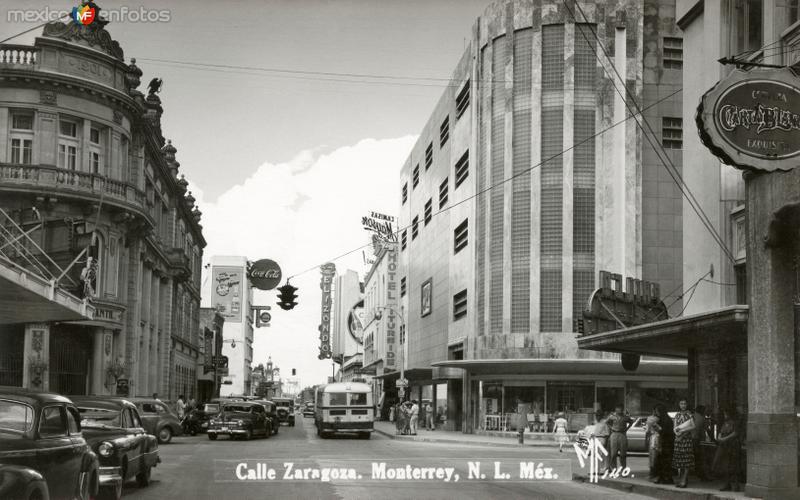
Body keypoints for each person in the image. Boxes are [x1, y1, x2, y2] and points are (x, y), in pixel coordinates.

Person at [713, 409, 741, 492]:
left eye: (726, 414)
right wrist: (719, 437)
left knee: (733, 466)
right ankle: (727, 484)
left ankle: (735, 485)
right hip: (724, 446)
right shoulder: (725, 423)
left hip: (732, 446)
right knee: (725, 465)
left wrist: (724, 439)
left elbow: (735, 433)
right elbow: (721, 431)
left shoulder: (735, 422)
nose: (725, 415)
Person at [672, 399, 695, 488]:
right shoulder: (677, 415)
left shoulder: (689, 414)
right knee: (679, 460)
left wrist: (683, 431)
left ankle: (684, 480)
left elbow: (693, 426)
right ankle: (681, 479)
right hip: (678, 439)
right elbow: (674, 427)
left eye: (685, 403)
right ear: (679, 404)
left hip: (686, 440)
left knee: (686, 461)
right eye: (681, 403)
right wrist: (677, 433)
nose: (683, 405)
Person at [654, 404, 674, 484]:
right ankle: (662, 477)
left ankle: (666, 478)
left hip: (667, 442)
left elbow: (665, 431)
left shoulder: (666, 420)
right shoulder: (663, 419)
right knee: (662, 461)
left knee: (665, 461)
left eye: (657, 411)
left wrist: (658, 428)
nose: (656, 413)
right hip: (665, 442)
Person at [692, 405, 709, 481]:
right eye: (705, 410)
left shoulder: (693, 416)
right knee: (701, 458)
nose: (707, 412)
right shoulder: (702, 418)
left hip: (691, 439)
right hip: (697, 440)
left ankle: (698, 473)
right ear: (702, 411)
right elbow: (707, 430)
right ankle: (702, 475)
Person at [645, 408, 662, 481]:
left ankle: (653, 474)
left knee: (654, 456)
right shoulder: (657, 418)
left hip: (655, 438)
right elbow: (648, 430)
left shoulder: (652, 419)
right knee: (654, 456)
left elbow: (647, 430)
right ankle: (653, 473)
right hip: (655, 438)